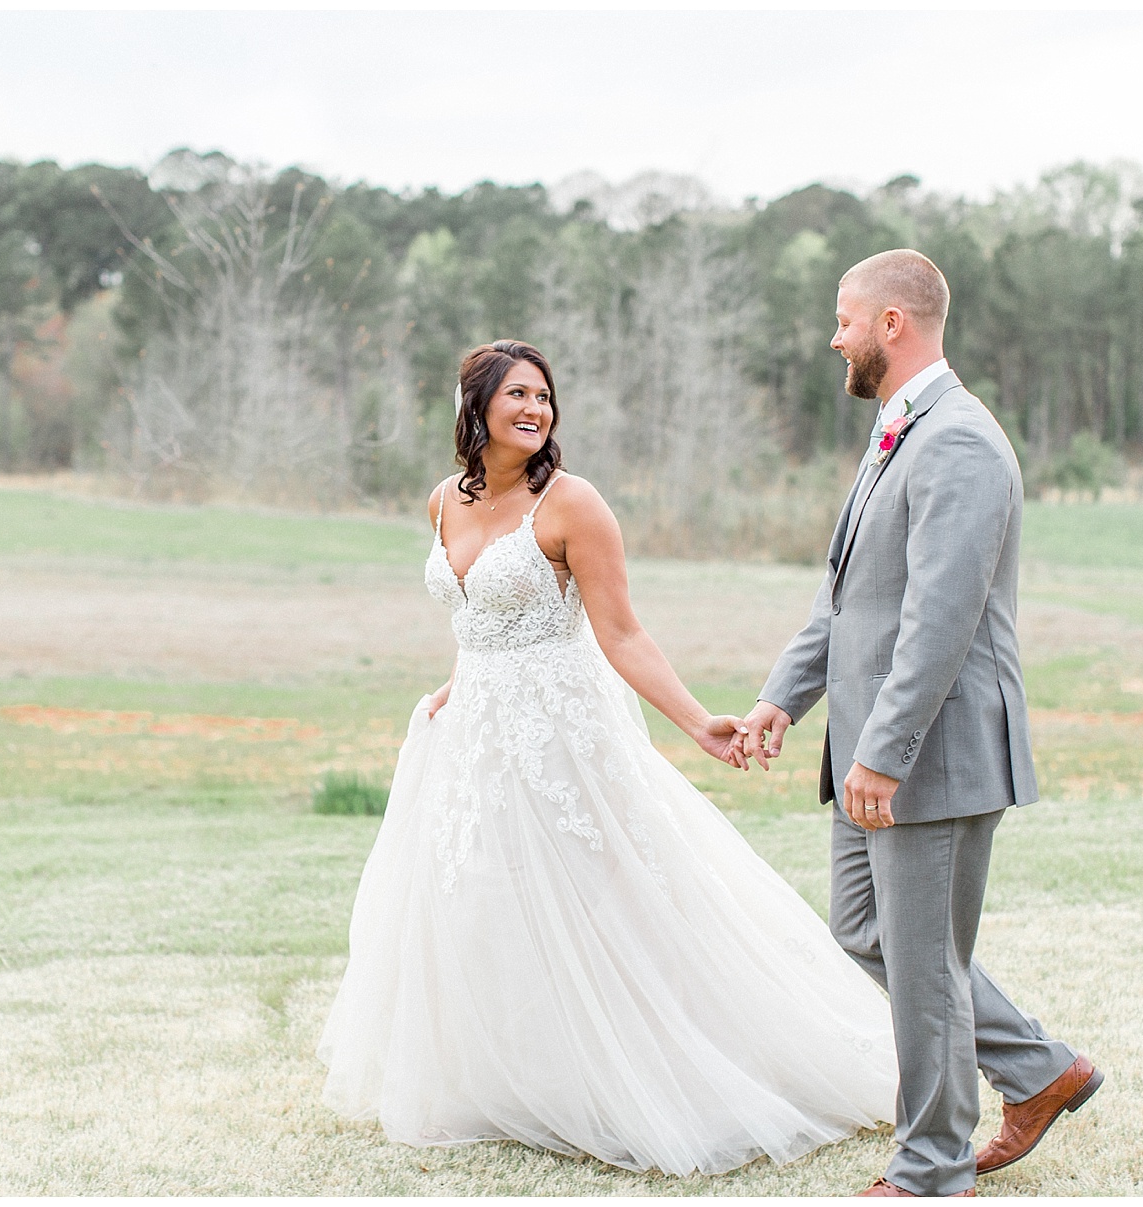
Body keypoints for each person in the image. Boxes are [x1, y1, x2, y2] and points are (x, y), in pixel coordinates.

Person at [317, 339, 898, 1176]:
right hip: (475, 733)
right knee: (481, 900)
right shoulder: (443, 500)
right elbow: (474, 615)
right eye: (516, 394)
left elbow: (621, 631)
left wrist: (699, 722)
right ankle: (519, 1081)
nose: (535, 409)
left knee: (604, 900)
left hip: (561, 735)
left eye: (544, 397)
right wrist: (457, 684)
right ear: (473, 406)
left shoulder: (572, 503)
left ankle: (649, 1076)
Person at [736, 250, 1102, 1197]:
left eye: (845, 318)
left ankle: (931, 1165)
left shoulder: (962, 443)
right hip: (875, 747)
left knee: (927, 961)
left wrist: (885, 756)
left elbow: (941, 620)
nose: (835, 336)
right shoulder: (898, 430)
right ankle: (1038, 1069)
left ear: (894, 323)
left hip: (932, 755)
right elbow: (849, 597)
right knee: (867, 931)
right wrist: (783, 696)